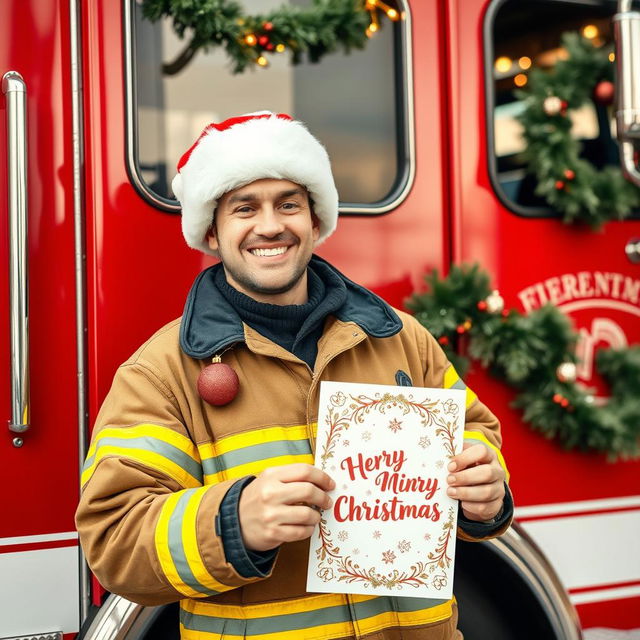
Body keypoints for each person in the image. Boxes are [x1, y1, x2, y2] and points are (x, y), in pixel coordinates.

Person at [76, 112, 513, 640]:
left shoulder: (399, 338)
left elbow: (477, 437)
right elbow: (114, 542)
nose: (270, 225)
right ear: (212, 232)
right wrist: (234, 523)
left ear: (314, 219)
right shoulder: (161, 372)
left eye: (289, 204)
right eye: (244, 208)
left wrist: (486, 493)